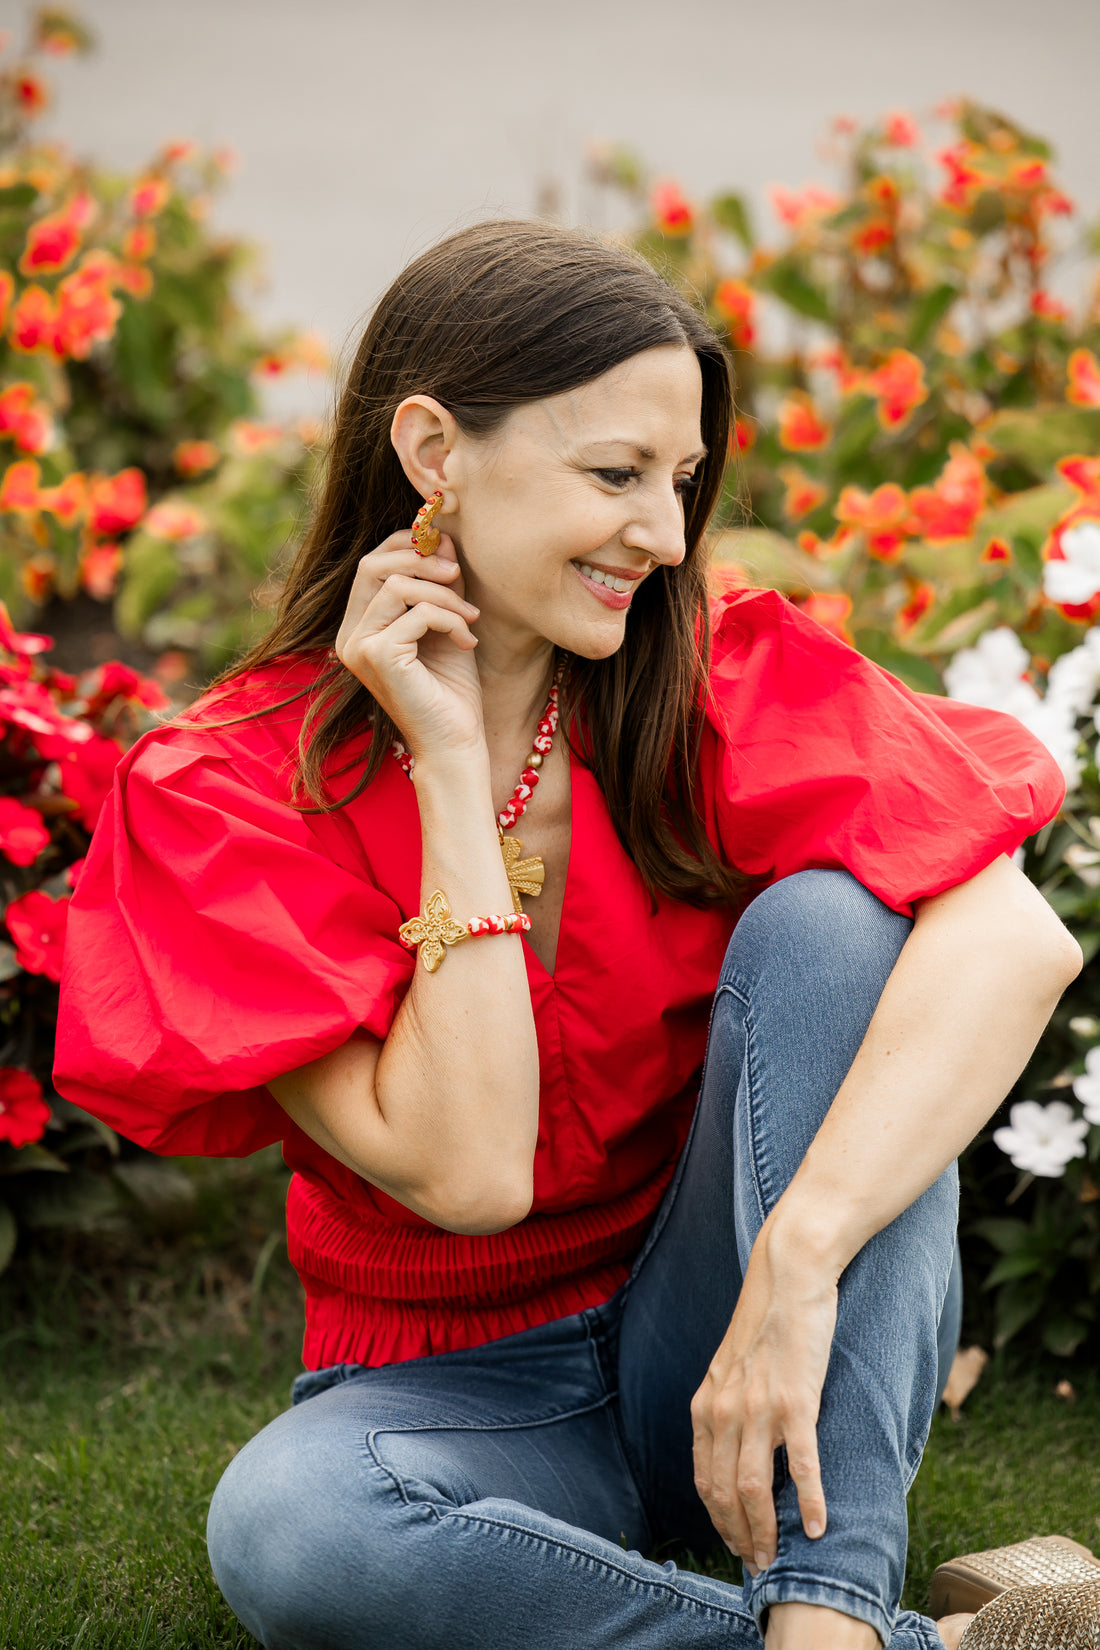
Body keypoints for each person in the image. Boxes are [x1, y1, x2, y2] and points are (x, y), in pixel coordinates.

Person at [55, 220, 1081, 1650]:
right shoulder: (220, 793)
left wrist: (798, 1255)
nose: (663, 536)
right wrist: (449, 769)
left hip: (722, 1321)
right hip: (462, 1401)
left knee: (842, 924)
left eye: (679, 481)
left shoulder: (708, 669)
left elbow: (1016, 938)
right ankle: (931, 1645)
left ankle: (829, 1613)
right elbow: (471, 1170)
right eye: (613, 476)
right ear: (433, 452)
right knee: (291, 1526)